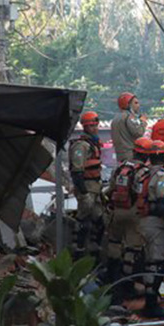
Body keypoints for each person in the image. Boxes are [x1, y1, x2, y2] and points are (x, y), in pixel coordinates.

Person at [103, 136, 152, 299]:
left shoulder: (120, 167)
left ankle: (110, 277)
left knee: (114, 244)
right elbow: (143, 193)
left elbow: (110, 189)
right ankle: (125, 285)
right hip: (133, 213)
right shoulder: (144, 172)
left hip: (117, 211)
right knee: (132, 249)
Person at [140, 139, 164, 317]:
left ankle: (150, 301)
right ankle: (151, 305)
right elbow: (162, 203)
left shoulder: (144, 174)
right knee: (158, 264)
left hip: (143, 221)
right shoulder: (161, 177)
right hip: (155, 224)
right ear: (163, 156)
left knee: (150, 264)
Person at [69, 111, 105, 259]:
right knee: (83, 221)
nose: (95, 128)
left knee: (100, 219)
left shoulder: (92, 145)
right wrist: (83, 193)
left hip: (95, 188)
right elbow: (77, 172)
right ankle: (77, 251)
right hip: (86, 188)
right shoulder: (81, 146)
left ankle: (95, 249)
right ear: (85, 127)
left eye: (96, 125)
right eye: (91, 126)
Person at [111, 92, 147, 163]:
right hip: (130, 155)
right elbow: (138, 132)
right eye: (135, 103)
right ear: (128, 104)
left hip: (120, 155)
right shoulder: (129, 117)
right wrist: (143, 122)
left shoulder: (116, 118)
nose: (138, 106)